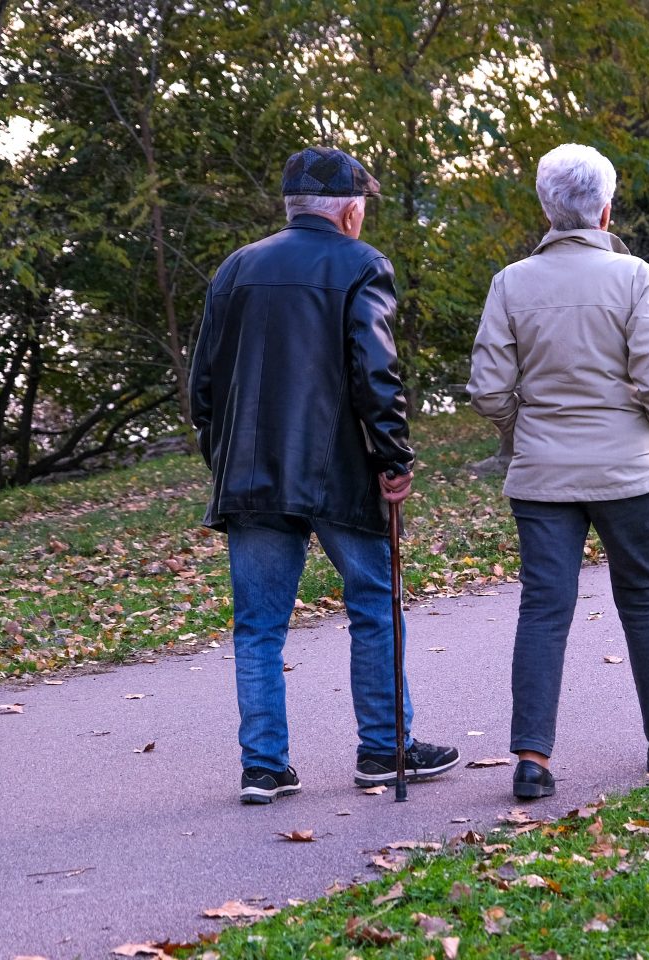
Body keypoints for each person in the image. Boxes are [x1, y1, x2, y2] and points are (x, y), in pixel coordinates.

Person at [191, 145, 458, 804]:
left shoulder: (235, 269)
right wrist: (394, 458)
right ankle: (383, 747)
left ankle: (263, 765)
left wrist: (223, 455)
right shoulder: (362, 265)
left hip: (250, 473)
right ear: (346, 211)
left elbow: (202, 387)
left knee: (258, 625)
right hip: (338, 472)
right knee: (374, 604)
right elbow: (376, 374)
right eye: (362, 203)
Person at [467, 143, 649, 801]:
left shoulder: (510, 282)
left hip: (541, 474)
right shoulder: (634, 278)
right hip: (627, 469)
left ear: (547, 209)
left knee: (544, 609)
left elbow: (489, 388)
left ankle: (532, 758)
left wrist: (521, 432)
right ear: (606, 209)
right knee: (644, 597)